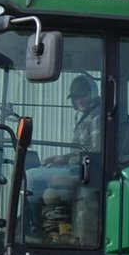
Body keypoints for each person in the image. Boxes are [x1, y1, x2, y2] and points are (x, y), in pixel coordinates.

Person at [27, 74, 101, 242]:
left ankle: (35, 228)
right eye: (76, 97)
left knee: (29, 177)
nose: (79, 100)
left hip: (85, 170)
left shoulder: (97, 117)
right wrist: (62, 158)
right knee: (36, 171)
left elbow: (96, 151)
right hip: (75, 166)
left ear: (93, 93)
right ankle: (51, 227)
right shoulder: (84, 115)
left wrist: (66, 159)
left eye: (83, 95)